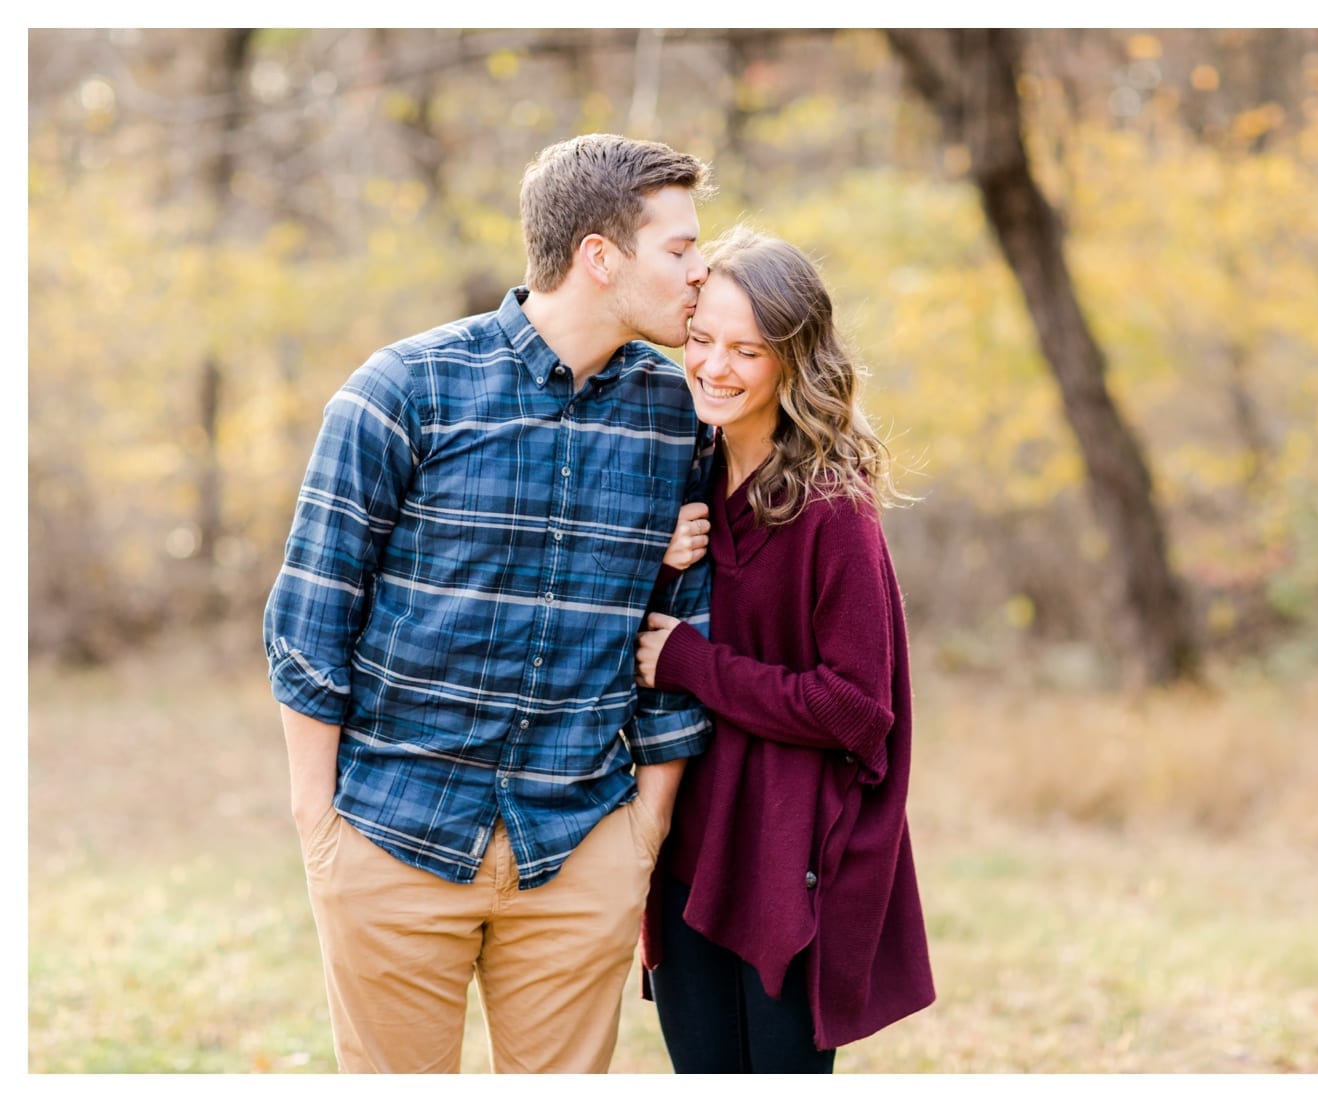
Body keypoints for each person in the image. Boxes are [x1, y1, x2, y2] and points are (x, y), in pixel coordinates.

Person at [262, 133, 717, 1074]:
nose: (700, 272)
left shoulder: (677, 413)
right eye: (678, 249)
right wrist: (321, 830)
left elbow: (688, 620)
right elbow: (309, 619)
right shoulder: (404, 391)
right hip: (390, 836)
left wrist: (647, 829)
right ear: (601, 257)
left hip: (581, 843)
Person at [634, 226, 936, 1073]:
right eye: (701, 341)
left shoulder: (831, 510)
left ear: (793, 362)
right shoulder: (685, 475)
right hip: (690, 844)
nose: (714, 367)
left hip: (789, 858)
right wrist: (655, 561)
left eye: (747, 351)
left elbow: (856, 708)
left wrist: (692, 661)